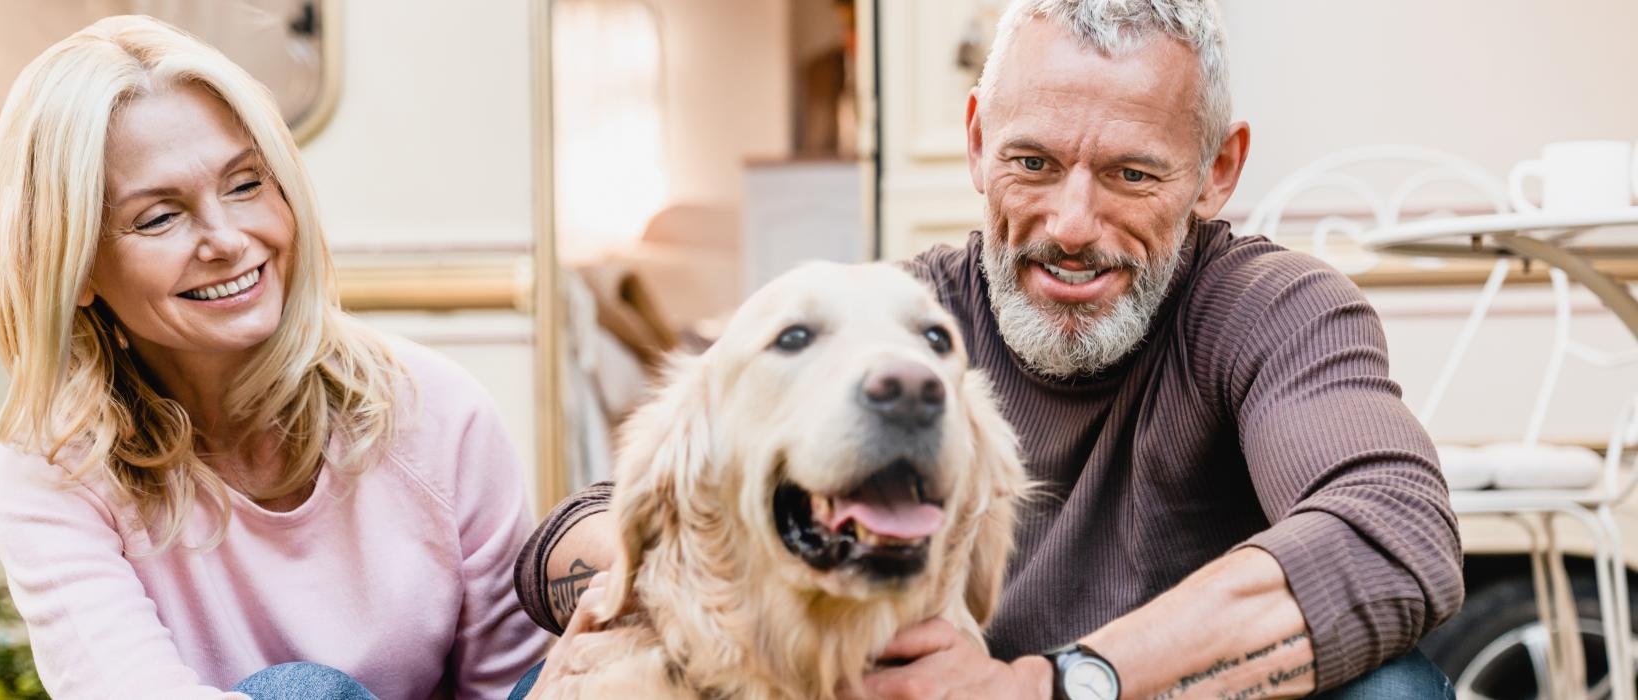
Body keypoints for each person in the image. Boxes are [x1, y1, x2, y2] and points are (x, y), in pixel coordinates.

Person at [513, 1, 1462, 698]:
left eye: (1132, 174)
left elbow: (1392, 531)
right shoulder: (898, 324)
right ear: (976, 142)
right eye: (1033, 163)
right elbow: (577, 528)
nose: (1072, 224)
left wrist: (1052, 686)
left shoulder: (1271, 308)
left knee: (1397, 692)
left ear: (1217, 170)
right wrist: (648, 589)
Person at [0, 16, 545, 699]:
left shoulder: (437, 410)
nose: (228, 239)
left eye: (246, 185)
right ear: (76, 267)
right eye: (159, 217)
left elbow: (516, 685)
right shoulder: (48, 464)